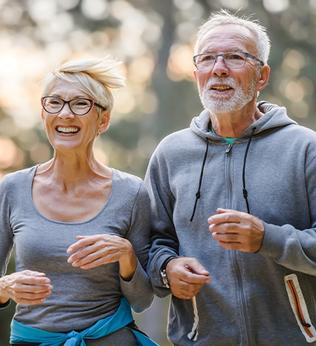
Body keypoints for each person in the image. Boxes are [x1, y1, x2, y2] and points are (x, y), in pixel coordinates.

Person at [145, 9, 316, 346]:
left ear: (262, 75)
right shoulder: (170, 153)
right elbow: (150, 242)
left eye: (235, 57)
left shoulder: (306, 148)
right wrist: (167, 269)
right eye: (207, 58)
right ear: (196, 73)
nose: (219, 68)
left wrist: (268, 238)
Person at [0, 57, 157, 345]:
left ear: (103, 119)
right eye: (55, 102)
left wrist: (126, 255)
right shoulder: (11, 188)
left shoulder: (131, 193)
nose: (66, 114)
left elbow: (143, 299)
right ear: (43, 113)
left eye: (81, 104)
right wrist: (4, 287)